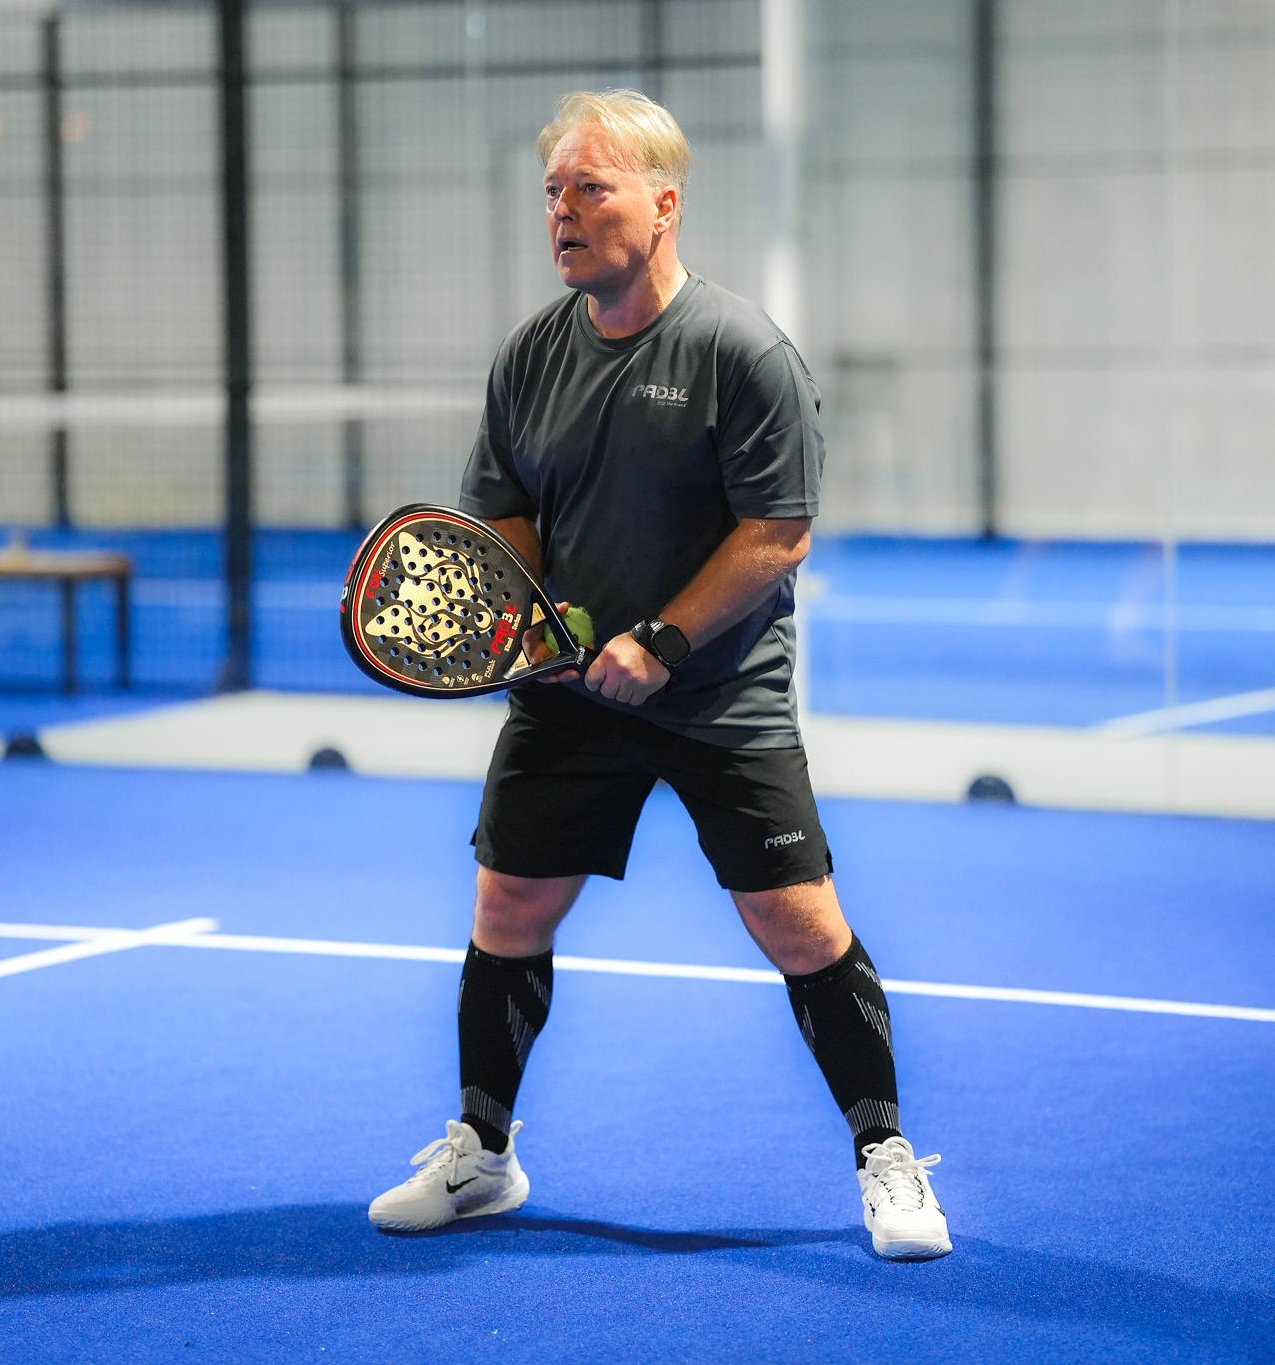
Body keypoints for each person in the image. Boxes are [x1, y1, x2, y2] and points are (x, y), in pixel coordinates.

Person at [367, 88, 951, 1260]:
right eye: (552, 194)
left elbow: (776, 535)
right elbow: (508, 518)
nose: (564, 213)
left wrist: (661, 645)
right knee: (508, 907)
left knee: (796, 922)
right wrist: (521, 630)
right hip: (568, 701)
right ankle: (484, 1152)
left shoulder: (743, 353)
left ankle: (886, 1156)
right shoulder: (531, 356)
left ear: (664, 203)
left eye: (592, 188)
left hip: (717, 694)